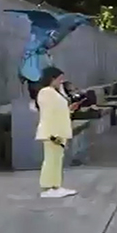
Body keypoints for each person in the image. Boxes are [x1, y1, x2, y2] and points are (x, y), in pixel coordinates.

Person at [36, 67, 82, 198]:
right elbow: (48, 114)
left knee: (56, 160)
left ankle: (55, 185)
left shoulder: (53, 92)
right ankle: (48, 186)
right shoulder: (47, 92)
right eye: (59, 79)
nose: (61, 81)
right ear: (52, 78)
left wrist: (70, 109)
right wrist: (53, 135)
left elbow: (58, 111)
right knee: (51, 160)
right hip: (53, 132)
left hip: (58, 131)